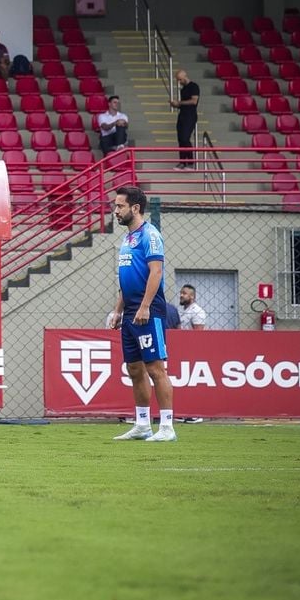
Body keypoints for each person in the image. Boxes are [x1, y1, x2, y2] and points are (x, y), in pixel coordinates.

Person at [107, 186, 177, 442]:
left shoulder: (151, 235)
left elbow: (155, 272)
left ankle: (167, 427)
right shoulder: (128, 238)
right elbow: (127, 280)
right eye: (115, 206)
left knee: (156, 368)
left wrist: (145, 306)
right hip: (130, 314)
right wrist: (117, 311)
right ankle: (142, 425)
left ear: (135, 208)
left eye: (119, 206)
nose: (115, 211)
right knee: (134, 369)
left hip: (149, 311)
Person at [170, 69, 199, 169]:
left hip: (190, 115)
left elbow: (194, 101)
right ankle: (182, 161)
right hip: (182, 115)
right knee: (180, 139)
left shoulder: (194, 86)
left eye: (180, 80)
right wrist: (176, 105)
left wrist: (180, 103)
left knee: (185, 138)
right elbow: (183, 104)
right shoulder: (183, 89)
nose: (179, 82)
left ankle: (190, 162)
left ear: (184, 77)